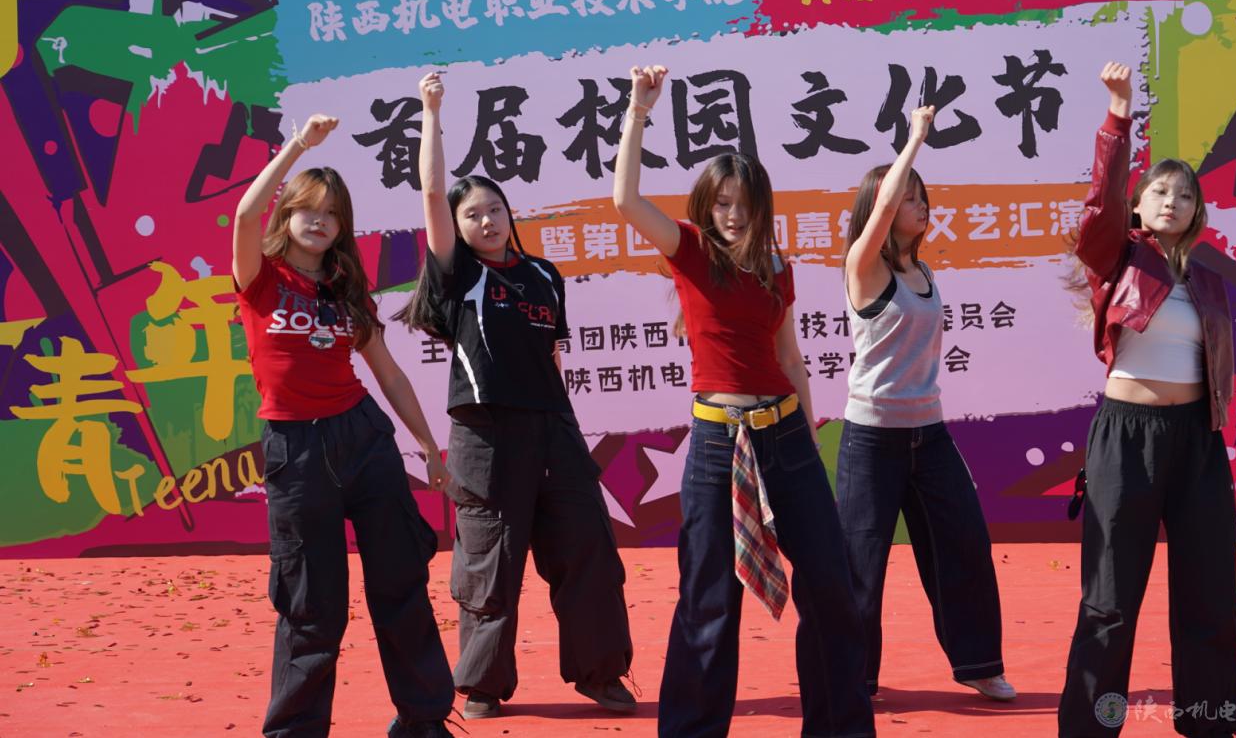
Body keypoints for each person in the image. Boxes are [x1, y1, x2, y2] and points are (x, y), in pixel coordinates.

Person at [613, 64, 875, 738]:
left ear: (761, 208)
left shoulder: (777, 267)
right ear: (707, 206)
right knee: (708, 600)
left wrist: (808, 437)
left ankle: (841, 728)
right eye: (722, 202)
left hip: (785, 436)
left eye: (744, 204)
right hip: (715, 441)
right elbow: (625, 200)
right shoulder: (690, 250)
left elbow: (790, 358)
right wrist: (639, 111)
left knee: (832, 587)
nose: (732, 214)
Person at [394, 72, 635, 720]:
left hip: (554, 430)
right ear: (457, 227)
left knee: (587, 547)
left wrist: (562, 428)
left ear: (510, 214)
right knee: (489, 563)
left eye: (495, 209)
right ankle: (482, 685)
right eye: (472, 214)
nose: (486, 220)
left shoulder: (543, 275)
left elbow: (553, 357)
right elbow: (432, 190)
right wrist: (431, 111)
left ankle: (602, 673)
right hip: (486, 435)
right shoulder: (458, 273)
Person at [232, 113, 455, 738]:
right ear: (288, 214)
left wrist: (427, 446)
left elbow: (390, 375)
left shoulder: (346, 290)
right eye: (308, 208)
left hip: (363, 440)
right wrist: (297, 146)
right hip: (296, 449)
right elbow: (245, 215)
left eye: (332, 214)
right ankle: (296, 730)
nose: (319, 220)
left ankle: (424, 719)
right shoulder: (260, 278)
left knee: (400, 584)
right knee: (311, 603)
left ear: (342, 227)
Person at [1058, 62, 1236, 737]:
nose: (1172, 200)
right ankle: (1093, 726)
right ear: (1139, 206)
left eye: (1185, 195)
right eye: (1160, 191)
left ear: (1197, 213)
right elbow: (1099, 208)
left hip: (1196, 444)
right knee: (1110, 602)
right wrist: (1118, 116)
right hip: (1126, 439)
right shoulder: (1118, 257)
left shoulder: (1208, 284)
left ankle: (1210, 721)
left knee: (1211, 596)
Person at [838, 104, 1015, 703]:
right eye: (909, 198)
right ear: (882, 209)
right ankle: (854, 678)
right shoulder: (863, 267)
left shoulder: (923, 270)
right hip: (871, 438)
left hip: (929, 434)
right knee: (861, 562)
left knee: (963, 543)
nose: (920, 206)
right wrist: (914, 139)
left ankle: (979, 663)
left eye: (923, 197)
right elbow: (884, 204)